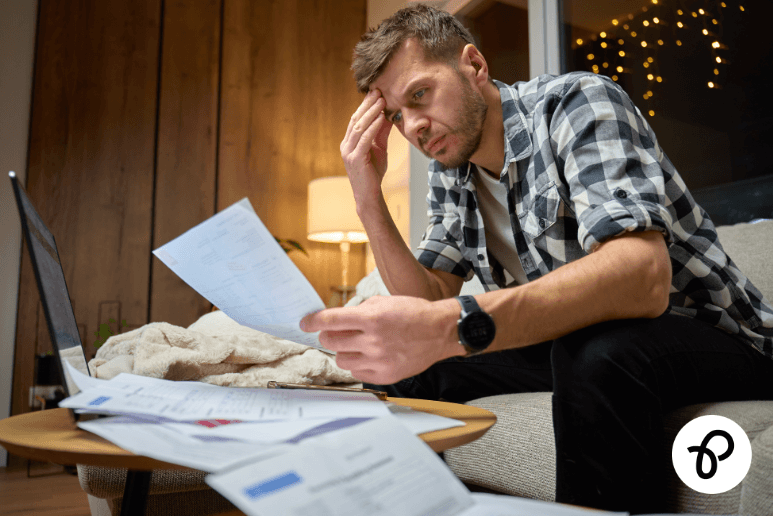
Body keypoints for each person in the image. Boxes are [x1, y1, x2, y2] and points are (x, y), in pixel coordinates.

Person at [300, 4, 773, 513]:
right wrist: (366, 195)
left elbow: (643, 277)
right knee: (402, 368)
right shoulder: (452, 169)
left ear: (474, 65)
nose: (413, 125)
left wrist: (454, 326)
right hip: (574, 343)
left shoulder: (576, 103)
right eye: (396, 115)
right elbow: (427, 298)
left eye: (420, 94)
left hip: (720, 339)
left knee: (597, 350)